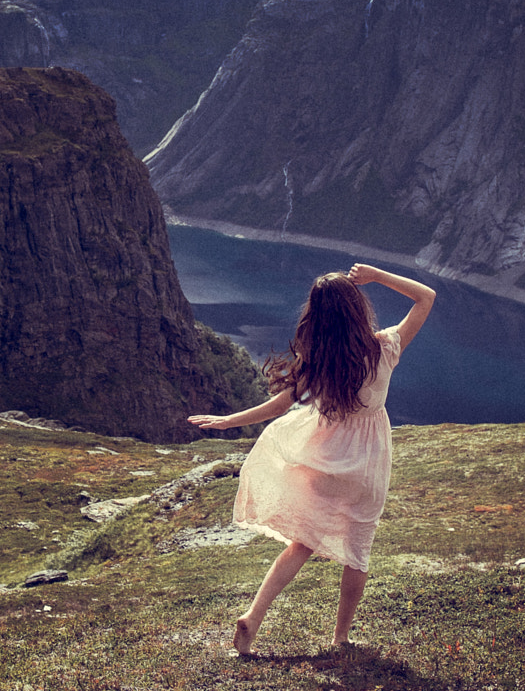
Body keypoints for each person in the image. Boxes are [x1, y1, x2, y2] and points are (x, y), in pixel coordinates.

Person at [187, 262, 436, 657]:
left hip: (323, 457)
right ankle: (339, 638)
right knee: (357, 551)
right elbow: (427, 297)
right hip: (366, 465)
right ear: (357, 308)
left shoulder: (318, 362)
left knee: (301, 543)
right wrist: (377, 276)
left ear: (316, 318)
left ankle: (253, 617)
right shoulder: (385, 347)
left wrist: (228, 421)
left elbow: (278, 406)